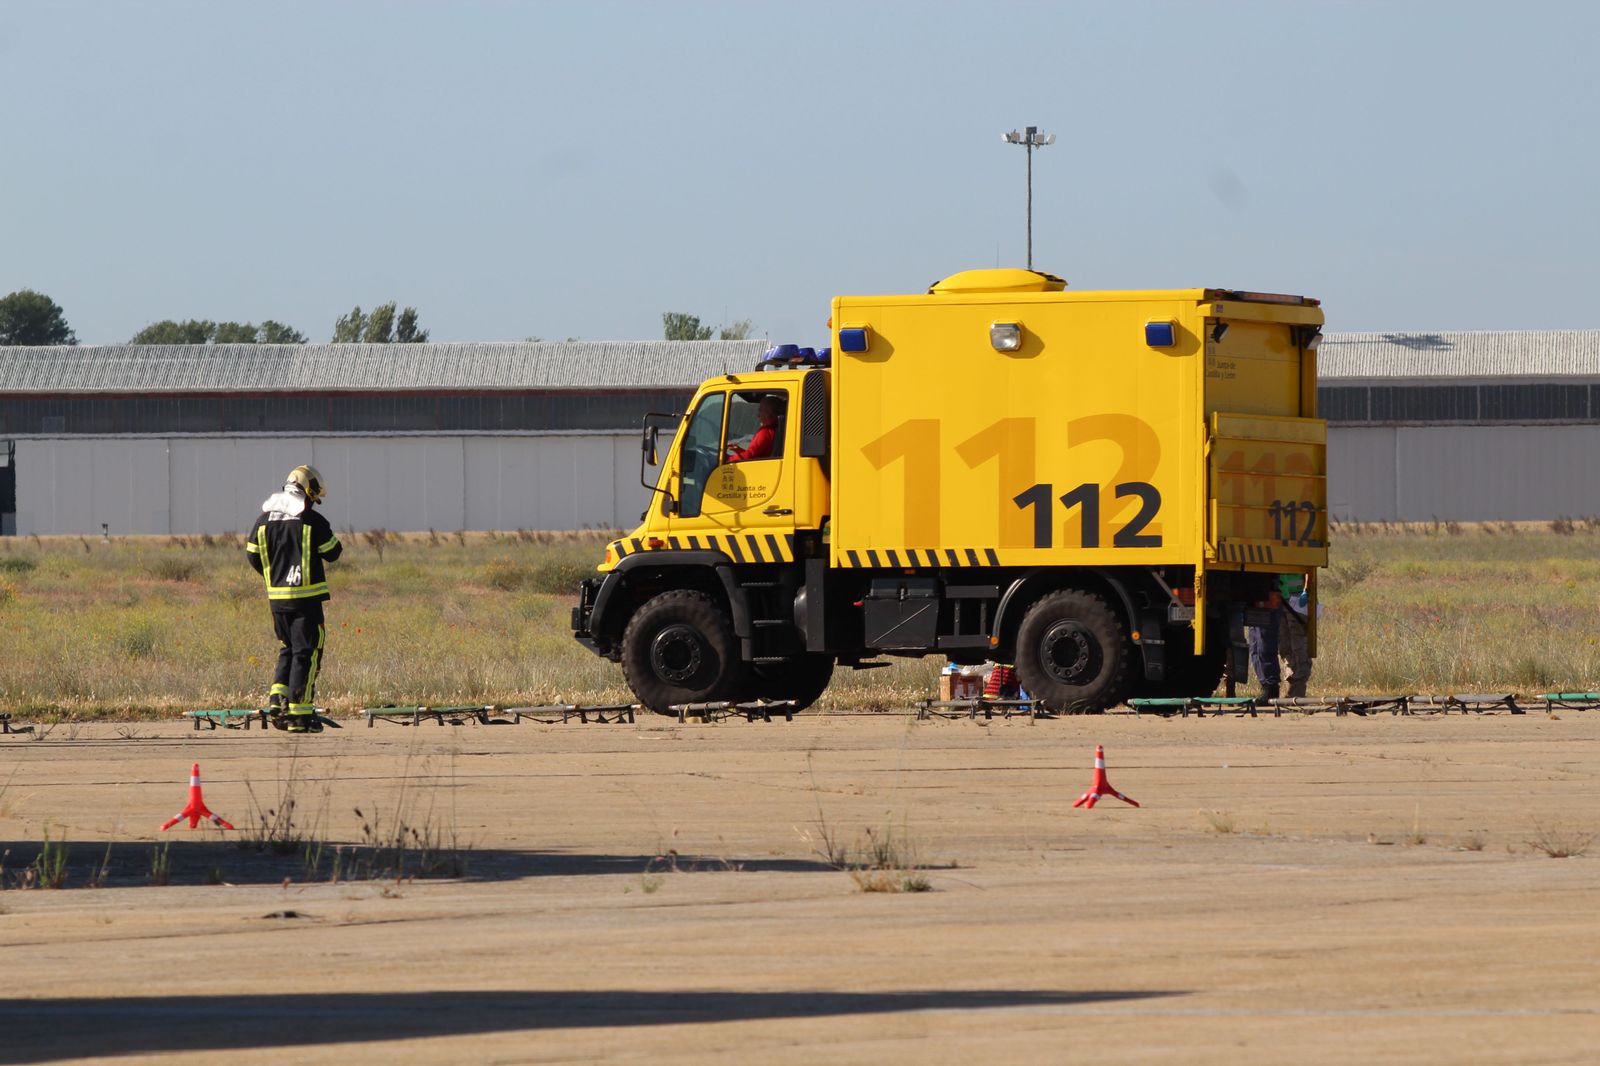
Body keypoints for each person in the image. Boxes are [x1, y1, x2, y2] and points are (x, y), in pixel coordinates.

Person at [245, 465, 342, 733]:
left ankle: (278, 702)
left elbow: (252, 555)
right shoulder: (312, 520)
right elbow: (334, 552)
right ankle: (299, 716)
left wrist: (273, 576)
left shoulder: (263, 521)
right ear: (307, 492)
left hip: (277, 601)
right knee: (307, 653)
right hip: (306, 601)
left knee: (288, 648)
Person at [1248, 573, 1312, 700]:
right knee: (1284, 647)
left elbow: (1310, 568)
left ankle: (1298, 688)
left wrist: (1306, 589)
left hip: (1298, 597)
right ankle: (1291, 687)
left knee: (1299, 645)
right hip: (1279, 597)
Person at [726, 395, 782, 462]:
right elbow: (754, 455)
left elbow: (750, 456)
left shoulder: (766, 432)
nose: (758, 415)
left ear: (769, 412)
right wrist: (738, 449)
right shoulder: (777, 429)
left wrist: (728, 459)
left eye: (761, 410)